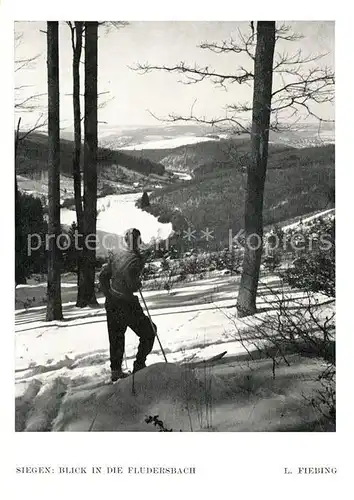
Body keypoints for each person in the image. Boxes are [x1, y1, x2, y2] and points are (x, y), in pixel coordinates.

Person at [99, 228, 156, 382]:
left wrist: (108, 294)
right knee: (149, 331)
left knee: (116, 337)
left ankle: (116, 372)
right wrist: (136, 284)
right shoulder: (135, 259)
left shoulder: (115, 255)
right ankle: (139, 366)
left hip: (112, 304)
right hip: (126, 304)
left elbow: (103, 276)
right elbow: (131, 284)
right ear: (137, 241)